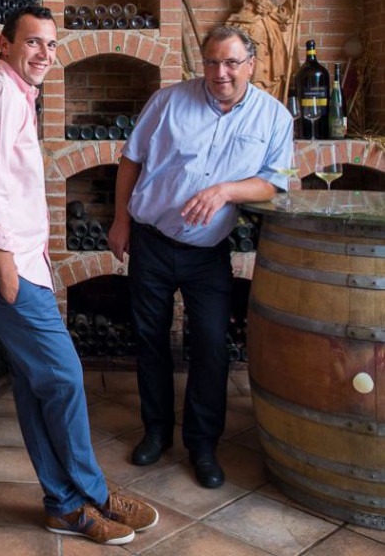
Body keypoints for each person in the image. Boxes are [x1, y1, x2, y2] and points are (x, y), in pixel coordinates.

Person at [0, 5, 158, 546]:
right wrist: (3, 267)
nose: (45, 53)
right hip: (3, 266)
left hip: (17, 264)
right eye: (33, 42)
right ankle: (90, 491)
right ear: (5, 44)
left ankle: (63, 505)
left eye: (51, 44)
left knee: (35, 382)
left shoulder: (16, 95)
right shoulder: (0, 97)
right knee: (65, 377)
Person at [108, 25, 293, 489]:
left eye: (231, 62)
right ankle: (155, 431)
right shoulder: (169, 101)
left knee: (210, 346)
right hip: (151, 239)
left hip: (208, 251)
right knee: (150, 340)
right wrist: (120, 221)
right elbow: (131, 158)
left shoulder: (274, 117)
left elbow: (276, 181)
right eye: (212, 62)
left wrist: (226, 190)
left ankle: (203, 445)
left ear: (250, 64)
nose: (220, 72)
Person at [226, 0, 300, 100]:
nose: (264, 0)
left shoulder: (271, 14)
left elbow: (285, 14)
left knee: (275, 98)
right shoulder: (244, 18)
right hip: (256, 70)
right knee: (256, 98)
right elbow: (233, 39)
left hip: (274, 66)